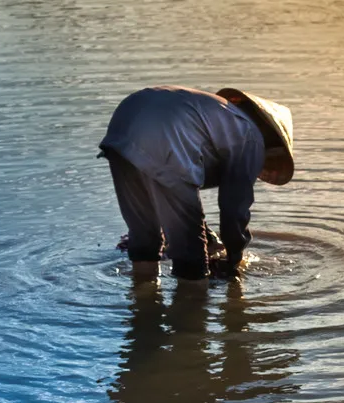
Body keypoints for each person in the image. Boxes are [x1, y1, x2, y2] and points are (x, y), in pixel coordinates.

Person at [97, 86, 294, 282]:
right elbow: (233, 208)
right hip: (166, 136)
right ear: (272, 138)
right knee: (191, 256)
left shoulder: (218, 113)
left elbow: (168, 185)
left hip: (123, 128)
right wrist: (234, 259)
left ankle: (144, 300)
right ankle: (190, 305)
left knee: (144, 239)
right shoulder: (251, 137)